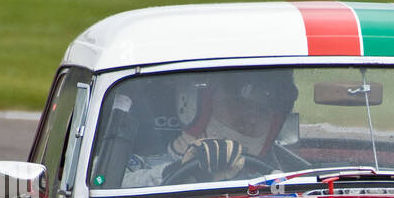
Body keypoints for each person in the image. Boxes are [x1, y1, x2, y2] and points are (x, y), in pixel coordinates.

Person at [122, 69, 299, 187]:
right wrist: (180, 171)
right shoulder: (147, 166)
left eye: (262, 111)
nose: (251, 119)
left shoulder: (284, 171)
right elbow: (110, 188)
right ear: (196, 107)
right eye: (237, 104)